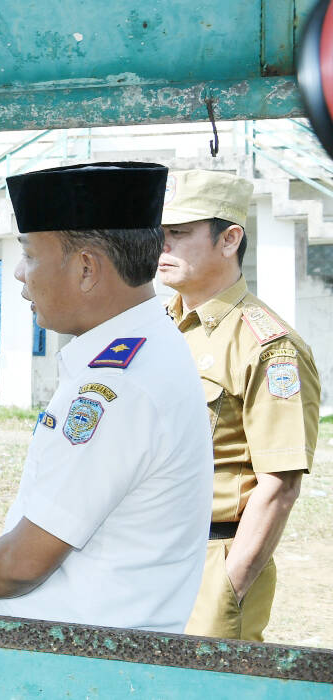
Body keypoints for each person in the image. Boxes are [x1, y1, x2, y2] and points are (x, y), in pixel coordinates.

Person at [0, 162, 213, 633]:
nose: (19, 274)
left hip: (75, 655)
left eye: (30, 254)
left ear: (87, 268)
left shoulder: (117, 387)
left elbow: (24, 563)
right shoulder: (145, 349)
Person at [159, 169, 320, 641]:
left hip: (211, 561)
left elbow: (279, 485)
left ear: (229, 239)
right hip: (145, 554)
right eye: (159, 232)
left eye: (179, 233)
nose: (162, 246)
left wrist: (228, 588)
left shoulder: (268, 346)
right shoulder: (157, 327)